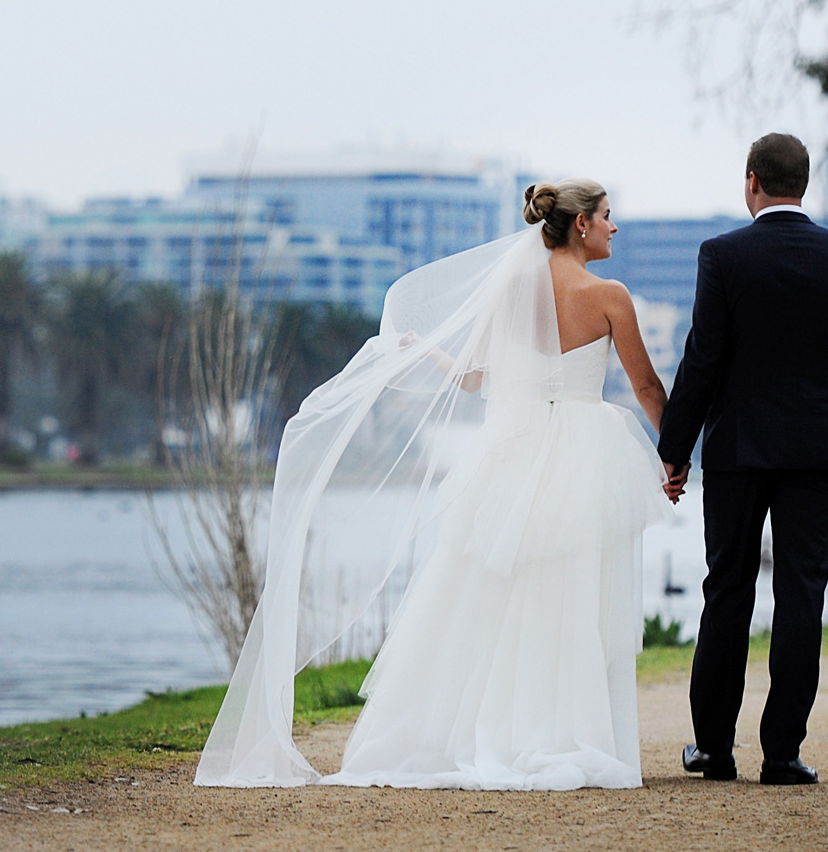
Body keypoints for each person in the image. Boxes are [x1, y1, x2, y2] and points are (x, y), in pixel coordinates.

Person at [197, 178, 677, 790]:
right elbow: (646, 388)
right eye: (609, 217)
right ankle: (566, 732)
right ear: (581, 225)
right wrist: (674, 452)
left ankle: (481, 730)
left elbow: (475, 380)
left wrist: (426, 352)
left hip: (514, 453)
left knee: (494, 594)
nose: (615, 228)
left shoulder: (509, 289)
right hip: (586, 451)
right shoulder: (610, 296)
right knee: (575, 593)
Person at [660, 133, 828, 786]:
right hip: (818, 448)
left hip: (738, 445)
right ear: (804, 182)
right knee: (801, 594)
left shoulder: (724, 255)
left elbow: (703, 358)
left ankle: (713, 749)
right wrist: (822, 372)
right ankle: (783, 755)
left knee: (727, 590)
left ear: (752, 182)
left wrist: (674, 450)